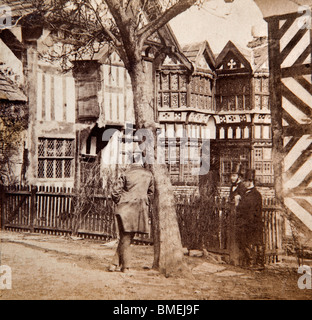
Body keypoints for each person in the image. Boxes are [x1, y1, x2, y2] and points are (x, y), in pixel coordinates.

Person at [109, 153, 154, 273]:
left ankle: (114, 264)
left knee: (125, 237)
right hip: (139, 210)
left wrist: (121, 201)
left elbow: (115, 192)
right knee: (127, 238)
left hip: (124, 209)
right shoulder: (148, 175)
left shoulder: (125, 173)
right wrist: (142, 202)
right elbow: (150, 193)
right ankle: (125, 267)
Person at [236, 169, 265, 269]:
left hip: (253, 222)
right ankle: (252, 262)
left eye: (245, 181)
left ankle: (258, 263)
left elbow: (249, 210)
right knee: (247, 242)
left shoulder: (255, 194)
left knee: (256, 242)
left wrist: (239, 205)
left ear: (250, 182)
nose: (243, 183)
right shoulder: (247, 193)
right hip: (249, 222)